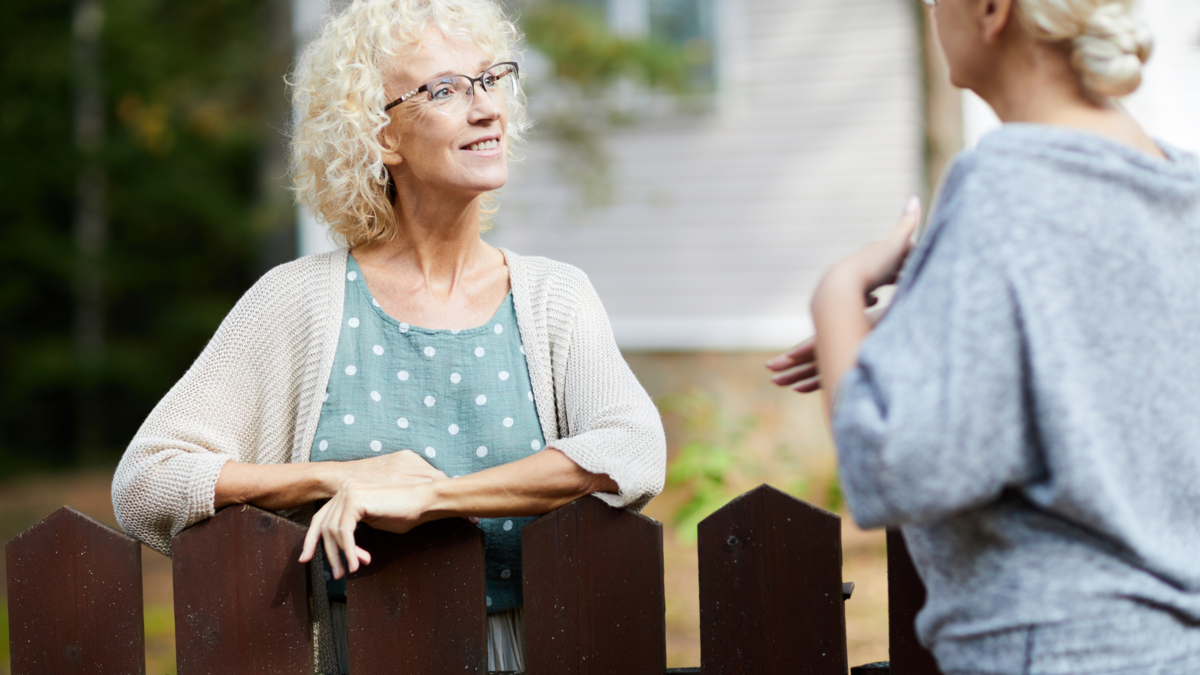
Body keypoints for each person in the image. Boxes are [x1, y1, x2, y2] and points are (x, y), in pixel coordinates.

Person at [111, 1, 666, 673]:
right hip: (351, 649)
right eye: (445, 90)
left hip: (528, 649)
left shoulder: (555, 296)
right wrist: (336, 476)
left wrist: (433, 495)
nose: (487, 107)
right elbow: (147, 480)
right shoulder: (297, 300)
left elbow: (632, 448)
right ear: (380, 137)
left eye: (490, 80)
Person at [767, 0, 1200, 672]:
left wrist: (839, 294)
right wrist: (929, 313)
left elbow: (892, 471)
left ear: (993, 10)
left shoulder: (1005, 182)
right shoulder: (1181, 188)